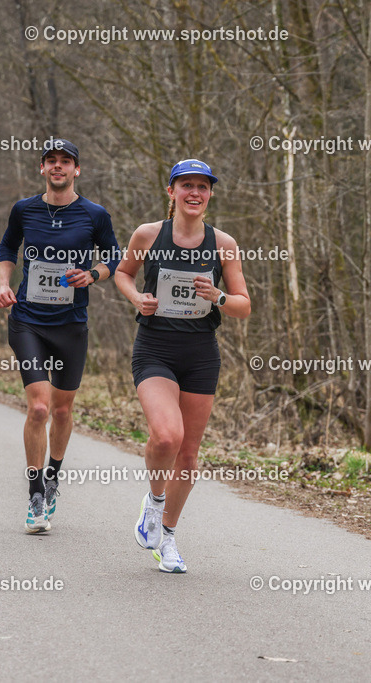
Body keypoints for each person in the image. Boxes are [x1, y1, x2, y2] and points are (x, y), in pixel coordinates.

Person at [115, 159, 251, 573]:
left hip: (200, 354)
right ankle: (154, 504)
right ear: (171, 191)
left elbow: (244, 306)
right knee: (166, 437)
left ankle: (168, 539)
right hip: (155, 348)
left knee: (189, 455)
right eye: (186, 185)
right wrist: (139, 299)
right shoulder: (148, 234)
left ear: (210, 194)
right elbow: (123, 274)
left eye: (203, 187)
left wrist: (218, 297)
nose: (195, 193)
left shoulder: (223, 243)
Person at [0, 138, 119, 534]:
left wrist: (93, 274)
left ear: (77, 170)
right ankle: (34, 495)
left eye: (66, 161)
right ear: (43, 168)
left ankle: (53, 476)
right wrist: (3, 282)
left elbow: (114, 257)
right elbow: (7, 245)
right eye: (51, 161)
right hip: (28, 319)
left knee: (63, 411)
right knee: (40, 409)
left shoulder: (94, 214)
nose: (58, 167)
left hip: (71, 324)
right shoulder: (24, 210)